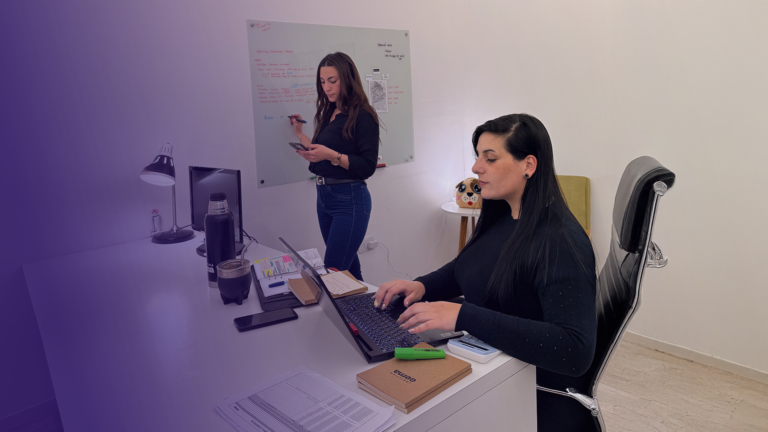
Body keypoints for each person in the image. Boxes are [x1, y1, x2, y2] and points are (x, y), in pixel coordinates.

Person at [373, 114, 597, 432]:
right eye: (478, 156)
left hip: (524, 390)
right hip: (490, 366)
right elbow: (467, 267)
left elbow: (574, 349)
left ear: (528, 165)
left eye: (490, 158)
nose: (477, 167)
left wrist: (462, 315)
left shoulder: (559, 241)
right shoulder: (504, 212)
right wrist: (421, 286)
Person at [289, 52, 380, 281]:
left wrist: (331, 156)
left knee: (332, 275)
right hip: (324, 197)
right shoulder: (330, 112)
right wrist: (300, 135)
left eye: (332, 80)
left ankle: (363, 305)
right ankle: (365, 305)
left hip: (349, 199)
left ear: (347, 79)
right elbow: (320, 148)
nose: (326, 87)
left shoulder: (363, 115)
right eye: (322, 81)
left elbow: (368, 166)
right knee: (349, 274)